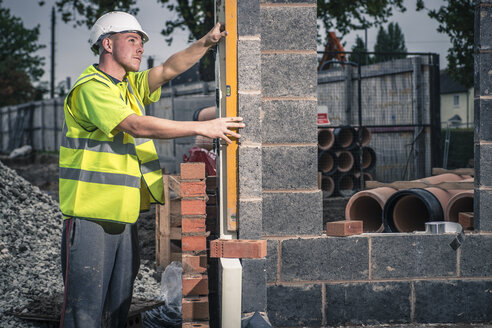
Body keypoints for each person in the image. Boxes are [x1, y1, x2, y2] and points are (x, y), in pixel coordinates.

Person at [58, 11, 244, 328]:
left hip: (122, 215)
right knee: (84, 312)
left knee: (117, 308)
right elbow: (136, 125)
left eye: (141, 41)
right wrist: (206, 126)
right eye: (132, 39)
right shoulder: (91, 89)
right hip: (90, 217)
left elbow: (168, 68)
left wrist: (207, 42)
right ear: (107, 44)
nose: (140, 47)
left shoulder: (128, 86)